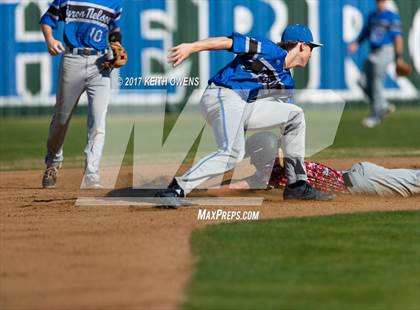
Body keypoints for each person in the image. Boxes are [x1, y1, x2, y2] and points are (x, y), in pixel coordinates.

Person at [156, 24, 334, 205]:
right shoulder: (268, 49)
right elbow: (228, 42)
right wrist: (192, 47)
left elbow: (284, 124)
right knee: (232, 153)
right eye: (311, 48)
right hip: (222, 94)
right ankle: (177, 188)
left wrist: (280, 152)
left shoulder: (286, 82)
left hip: (243, 106)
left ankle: (297, 185)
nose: (311, 53)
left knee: (295, 116)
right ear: (302, 46)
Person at [40, 0, 124, 188]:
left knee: (98, 121)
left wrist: (116, 43)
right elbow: (47, 19)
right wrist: (50, 39)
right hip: (73, 59)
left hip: (101, 63)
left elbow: (114, 29)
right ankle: (53, 163)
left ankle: (92, 173)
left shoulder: (115, 3)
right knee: (62, 118)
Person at [236, 131, 420, 198]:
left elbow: (239, 185)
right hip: (358, 171)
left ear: (262, 155)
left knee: (414, 182)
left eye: (253, 155)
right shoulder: (287, 161)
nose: (251, 160)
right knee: (414, 178)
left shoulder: (272, 175)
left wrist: (207, 189)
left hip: (357, 184)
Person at [348, 0, 404, 128]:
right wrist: (356, 43)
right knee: (361, 81)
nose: (380, 3)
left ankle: (375, 116)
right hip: (373, 52)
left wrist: (399, 57)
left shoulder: (392, 16)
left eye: (382, 1)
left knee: (376, 82)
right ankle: (383, 105)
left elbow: (398, 38)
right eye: (378, 1)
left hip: (386, 50)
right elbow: (365, 32)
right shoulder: (372, 16)